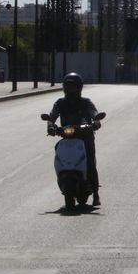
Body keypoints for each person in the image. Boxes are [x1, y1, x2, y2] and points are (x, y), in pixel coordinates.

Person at [47, 73, 102, 207]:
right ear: (64, 88)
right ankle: (62, 176)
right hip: (66, 136)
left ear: (79, 88)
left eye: (73, 87)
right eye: (68, 87)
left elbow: (93, 111)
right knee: (57, 148)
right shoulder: (60, 103)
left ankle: (95, 193)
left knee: (90, 162)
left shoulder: (85, 102)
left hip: (85, 136)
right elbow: (52, 116)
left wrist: (95, 121)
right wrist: (50, 126)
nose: (71, 90)